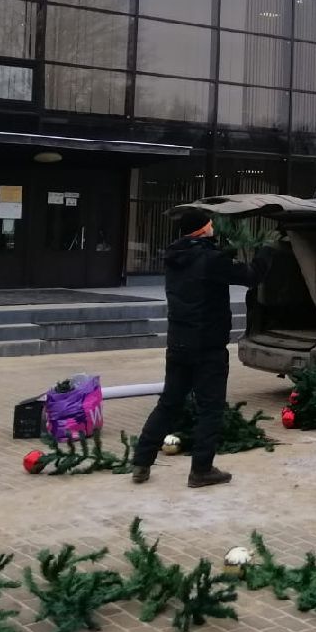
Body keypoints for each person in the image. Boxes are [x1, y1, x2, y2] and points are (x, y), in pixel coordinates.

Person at [131, 208, 272, 488]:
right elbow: (251, 276)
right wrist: (267, 249)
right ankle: (201, 470)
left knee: (169, 402)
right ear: (202, 229)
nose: (213, 228)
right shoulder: (210, 259)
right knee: (210, 408)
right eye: (210, 225)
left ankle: (141, 461)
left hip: (179, 343)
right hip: (208, 346)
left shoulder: (175, 256)